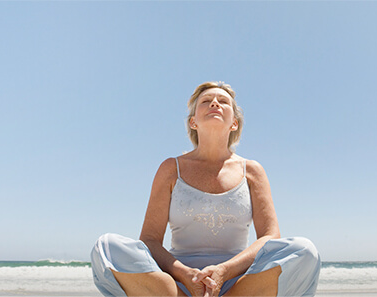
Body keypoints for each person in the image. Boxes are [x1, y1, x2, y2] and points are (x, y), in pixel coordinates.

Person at [91, 82, 321, 297]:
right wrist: (185, 274)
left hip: (239, 283)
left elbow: (270, 237)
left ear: (234, 123)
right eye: (206, 101)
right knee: (107, 247)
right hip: (178, 283)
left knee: (305, 251)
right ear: (193, 122)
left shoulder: (251, 171)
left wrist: (224, 271)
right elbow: (150, 240)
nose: (215, 103)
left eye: (223, 101)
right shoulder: (172, 168)